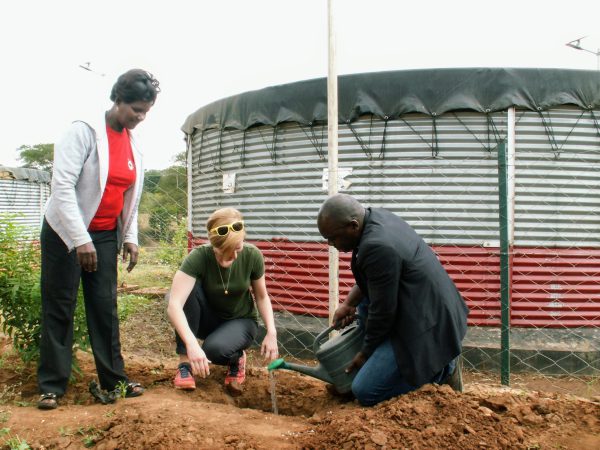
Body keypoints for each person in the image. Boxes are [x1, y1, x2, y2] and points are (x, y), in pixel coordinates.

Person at [37, 69, 160, 410]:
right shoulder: (84, 133)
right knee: (60, 307)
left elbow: (128, 195)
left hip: (105, 234)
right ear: (117, 100)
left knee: (105, 307)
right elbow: (61, 189)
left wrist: (130, 237)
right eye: (136, 108)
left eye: (146, 111)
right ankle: (51, 386)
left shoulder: (133, 144)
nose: (140, 116)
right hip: (65, 233)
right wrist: (80, 240)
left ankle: (114, 380)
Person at [317, 193, 469, 406]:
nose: (330, 244)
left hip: (428, 324)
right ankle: (400, 363)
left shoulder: (377, 246)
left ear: (352, 226)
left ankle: (440, 369)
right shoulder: (375, 218)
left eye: (332, 237)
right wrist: (348, 303)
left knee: (365, 391)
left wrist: (365, 353)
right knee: (362, 304)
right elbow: (376, 280)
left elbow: (383, 312)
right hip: (422, 305)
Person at [166, 207, 279, 396]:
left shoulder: (252, 255)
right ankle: (184, 365)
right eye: (227, 251)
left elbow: (262, 296)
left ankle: (236, 359)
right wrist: (192, 345)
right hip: (209, 319)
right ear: (215, 246)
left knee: (214, 351)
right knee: (181, 293)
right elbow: (174, 305)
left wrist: (272, 332)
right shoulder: (199, 257)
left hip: (240, 320)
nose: (234, 256)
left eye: (238, 248)